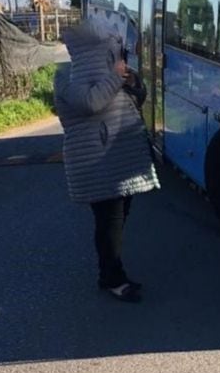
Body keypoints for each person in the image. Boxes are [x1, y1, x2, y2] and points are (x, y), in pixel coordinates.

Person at [55, 19, 159, 302]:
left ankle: (109, 272)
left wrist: (134, 82)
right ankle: (113, 278)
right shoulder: (66, 80)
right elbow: (91, 103)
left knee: (118, 217)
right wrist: (116, 78)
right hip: (96, 164)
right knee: (109, 221)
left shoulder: (111, 75)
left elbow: (136, 100)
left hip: (119, 161)